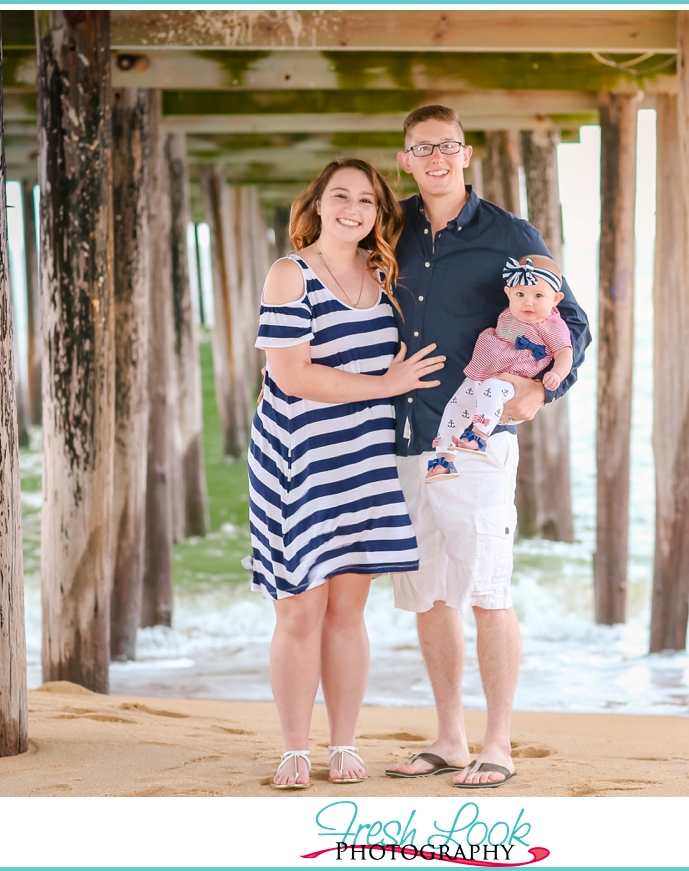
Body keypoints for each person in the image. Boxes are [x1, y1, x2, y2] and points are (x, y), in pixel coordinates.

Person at [384, 106, 591, 787]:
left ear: (466, 154)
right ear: (405, 159)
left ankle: (497, 743)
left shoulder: (509, 233)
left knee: (486, 591)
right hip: (406, 433)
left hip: (475, 440)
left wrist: (543, 394)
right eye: (422, 148)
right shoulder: (394, 228)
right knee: (430, 594)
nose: (436, 158)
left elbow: (573, 321)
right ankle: (449, 735)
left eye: (447, 146)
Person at [247, 158, 446, 789]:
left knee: (347, 611)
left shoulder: (386, 275)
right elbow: (290, 375)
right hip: (298, 456)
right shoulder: (291, 274)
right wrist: (383, 383)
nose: (353, 207)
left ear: (378, 213)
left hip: (364, 456)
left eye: (366, 199)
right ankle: (293, 749)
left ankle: (343, 743)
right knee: (301, 609)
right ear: (318, 204)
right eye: (341, 195)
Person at [426, 254, 572, 481]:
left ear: (556, 299)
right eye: (520, 294)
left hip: (508, 381)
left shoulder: (552, 324)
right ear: (509, 294)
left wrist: (557, 373)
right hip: (481, 372)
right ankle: (444, 459)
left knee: (491, 390)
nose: (528, 302)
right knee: (455, 407)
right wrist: (490, 335)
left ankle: (478, 437)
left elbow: (565, 352)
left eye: (538, 296)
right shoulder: (508, 315)